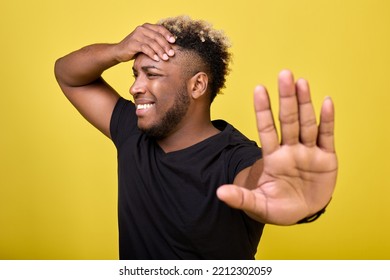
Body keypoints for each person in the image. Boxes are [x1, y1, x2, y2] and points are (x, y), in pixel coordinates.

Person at [54, 15, 338, 259]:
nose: (134, 88)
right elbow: (68, 74)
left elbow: (256, 181)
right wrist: (118, 50)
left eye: (151, 74)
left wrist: (284, 185)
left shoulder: (235, 157)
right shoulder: (132, 131)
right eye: (135, 74)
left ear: (198, 85)